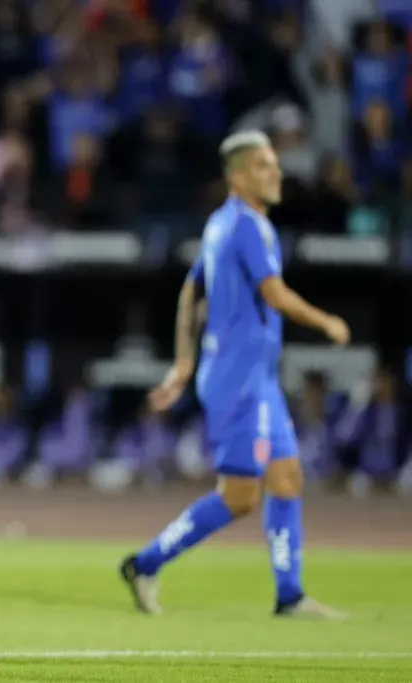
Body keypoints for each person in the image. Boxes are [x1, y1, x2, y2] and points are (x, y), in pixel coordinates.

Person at [119, 130, 351, 619]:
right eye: (267, 165)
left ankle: (289, 595)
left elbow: (191, 291)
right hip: (239, 380)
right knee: (241, 496)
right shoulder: (245, 226)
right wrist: (326, 320)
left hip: (254, 377)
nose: (278, 173)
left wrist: (183, 364)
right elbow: (275, 294)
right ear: (241, 175)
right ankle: (145, 563)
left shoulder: (221, 224)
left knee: (287, 476)